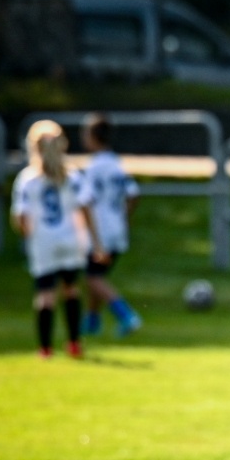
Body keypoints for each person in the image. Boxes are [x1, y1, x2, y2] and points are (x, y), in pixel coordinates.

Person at [12, 120, 104, 360]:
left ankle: (45, 348)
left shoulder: (28, 179)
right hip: (71, 239)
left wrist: (29, 235)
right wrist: (96, 242)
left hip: (44, 241)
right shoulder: (72, 176)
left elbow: (20, 216)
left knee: (45, 294)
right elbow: (86, 208)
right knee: (71, 289)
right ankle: (74, 343)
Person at [73, 114, 143, 338]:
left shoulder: (94, 168)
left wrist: (93, 238)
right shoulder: (116, 164)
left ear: (93, 137)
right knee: (97, 275)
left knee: (93, 278)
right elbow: (134, 194)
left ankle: (126, 315)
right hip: (116, 228)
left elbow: (85, 202)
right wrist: (124, 218)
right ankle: (92, 321)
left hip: (100, 230)